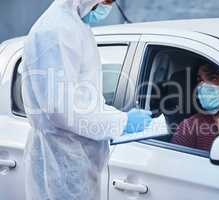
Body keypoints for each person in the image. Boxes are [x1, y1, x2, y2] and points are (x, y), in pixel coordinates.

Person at [21, 0, 152, 199]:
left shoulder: (73, 25)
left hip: (72, 157)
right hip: (62, 159)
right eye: (106, 0)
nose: (107, 6)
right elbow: (61, 110)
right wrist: (122, 122)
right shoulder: (56, 31)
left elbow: (84, 99)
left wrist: (119, 116)